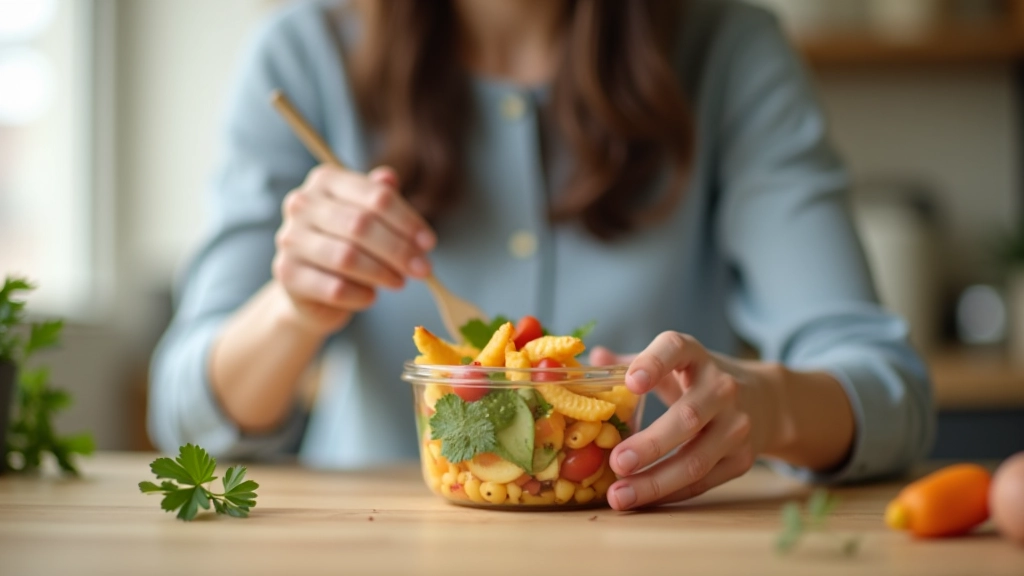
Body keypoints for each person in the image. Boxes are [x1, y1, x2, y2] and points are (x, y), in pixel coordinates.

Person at [149, 0, 934, 511]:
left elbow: (890, 394)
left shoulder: (729, 50)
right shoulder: (304, 51)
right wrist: (295, 307)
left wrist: (765, 405)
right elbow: (187, 416)